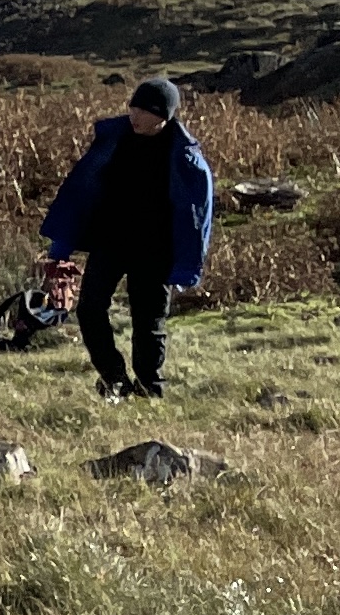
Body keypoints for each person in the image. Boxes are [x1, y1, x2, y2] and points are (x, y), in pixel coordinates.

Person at [39, 77, 216, 400]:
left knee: (148, 322)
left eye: (144, 110)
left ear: (164, 115)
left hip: (156, 250)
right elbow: (79, 193)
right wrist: (61, 248)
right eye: (132, 107)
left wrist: (187, 267)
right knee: (90, 309)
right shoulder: (112, 140)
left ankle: (150, 387)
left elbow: (197, 217)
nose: (134, 115)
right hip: (110, 242)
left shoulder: (186, 159)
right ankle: (114, 377)